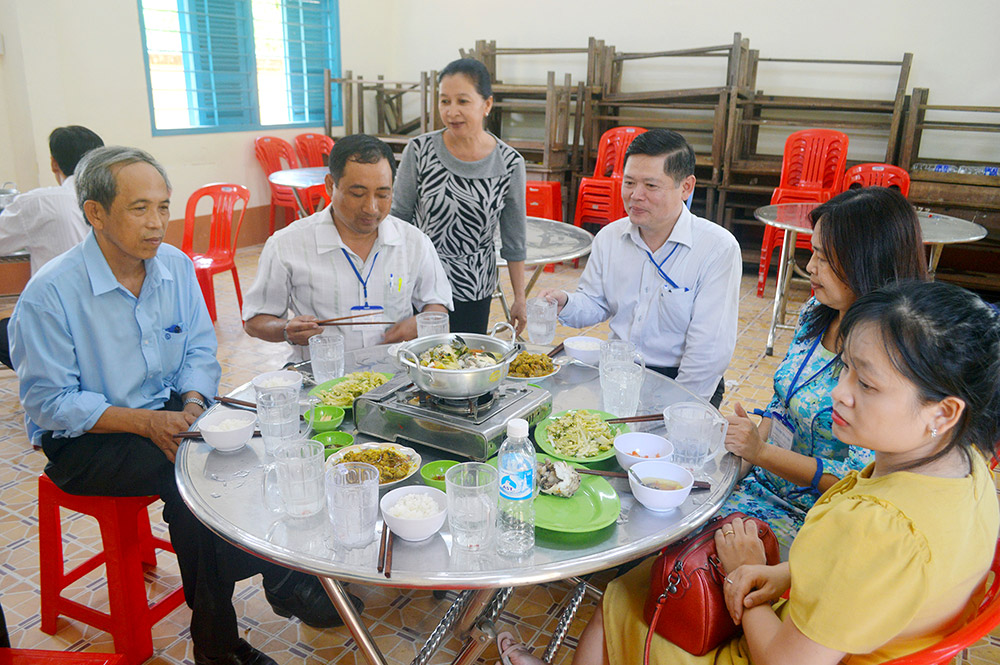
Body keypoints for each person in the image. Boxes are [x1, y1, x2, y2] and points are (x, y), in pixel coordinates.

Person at [498, 279, 1000, 665]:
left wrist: (740, 573)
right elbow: (870, 585)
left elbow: (783, 659)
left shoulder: (879, 525)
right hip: (851, 635)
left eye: (867, 385)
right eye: (844, 368)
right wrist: (785, 574)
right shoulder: (969, 471)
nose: (838, 394)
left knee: (623, 597)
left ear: (943, 412)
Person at [10, 146, 361, 665]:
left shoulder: (172, 267)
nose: (157, 224)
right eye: (139, 209)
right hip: (86, 437)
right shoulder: (50, 295)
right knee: (190, 484)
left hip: (167, 409)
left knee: (263, 443)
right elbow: (49, 403)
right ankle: (228, 636)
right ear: (95, 213)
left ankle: (283, 580)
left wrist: (194, 403)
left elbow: (198, 350)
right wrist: (148, 423)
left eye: (163, 206)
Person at [721, 187, 929, 548]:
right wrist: (737, 468)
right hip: (762, 485)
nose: (811, 267)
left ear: (868, 261)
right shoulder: (815, 315)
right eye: (812, 252)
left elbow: (859, 479)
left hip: (818, 517)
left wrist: (761, 453)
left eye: (824, 257)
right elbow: (780, 404)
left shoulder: (895, 358)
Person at [539, 129, 741, 406]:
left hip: (680, 380)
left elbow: (708, 352)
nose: (635, 195)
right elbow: (596, 302)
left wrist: (675, 409)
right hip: (617, 373)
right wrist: (567, 303)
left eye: (651, 186)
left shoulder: (717, 248)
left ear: (686, 187)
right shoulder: (610, 237)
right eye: (630, 182)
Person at [243, 133, 453, 365]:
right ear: (331, 185)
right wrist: (286, 330)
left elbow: (437, 304)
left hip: (397, 377)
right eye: (357, 194)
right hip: (322, 379)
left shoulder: (414, 242)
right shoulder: (287, 244)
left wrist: (422, 322)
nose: (371, 208)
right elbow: (255, 320)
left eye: (383, 194)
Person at [391, 58, 528, 335]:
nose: (452, 112)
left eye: (463, 101)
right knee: (419, 363)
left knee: (465, 364)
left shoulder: (509, 163)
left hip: (474, 285)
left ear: (486, 104)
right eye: (445, 101)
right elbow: (397, 219)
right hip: (422, 283)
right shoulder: (419, 151)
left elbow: (514, 239)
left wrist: (520, 298)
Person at [0, 125, 104, 369]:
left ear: (53, 163)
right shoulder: (117, 199)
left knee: (13, 330)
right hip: (111, 323)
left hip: (60, 327)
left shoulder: (39, 202)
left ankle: (51, 373)